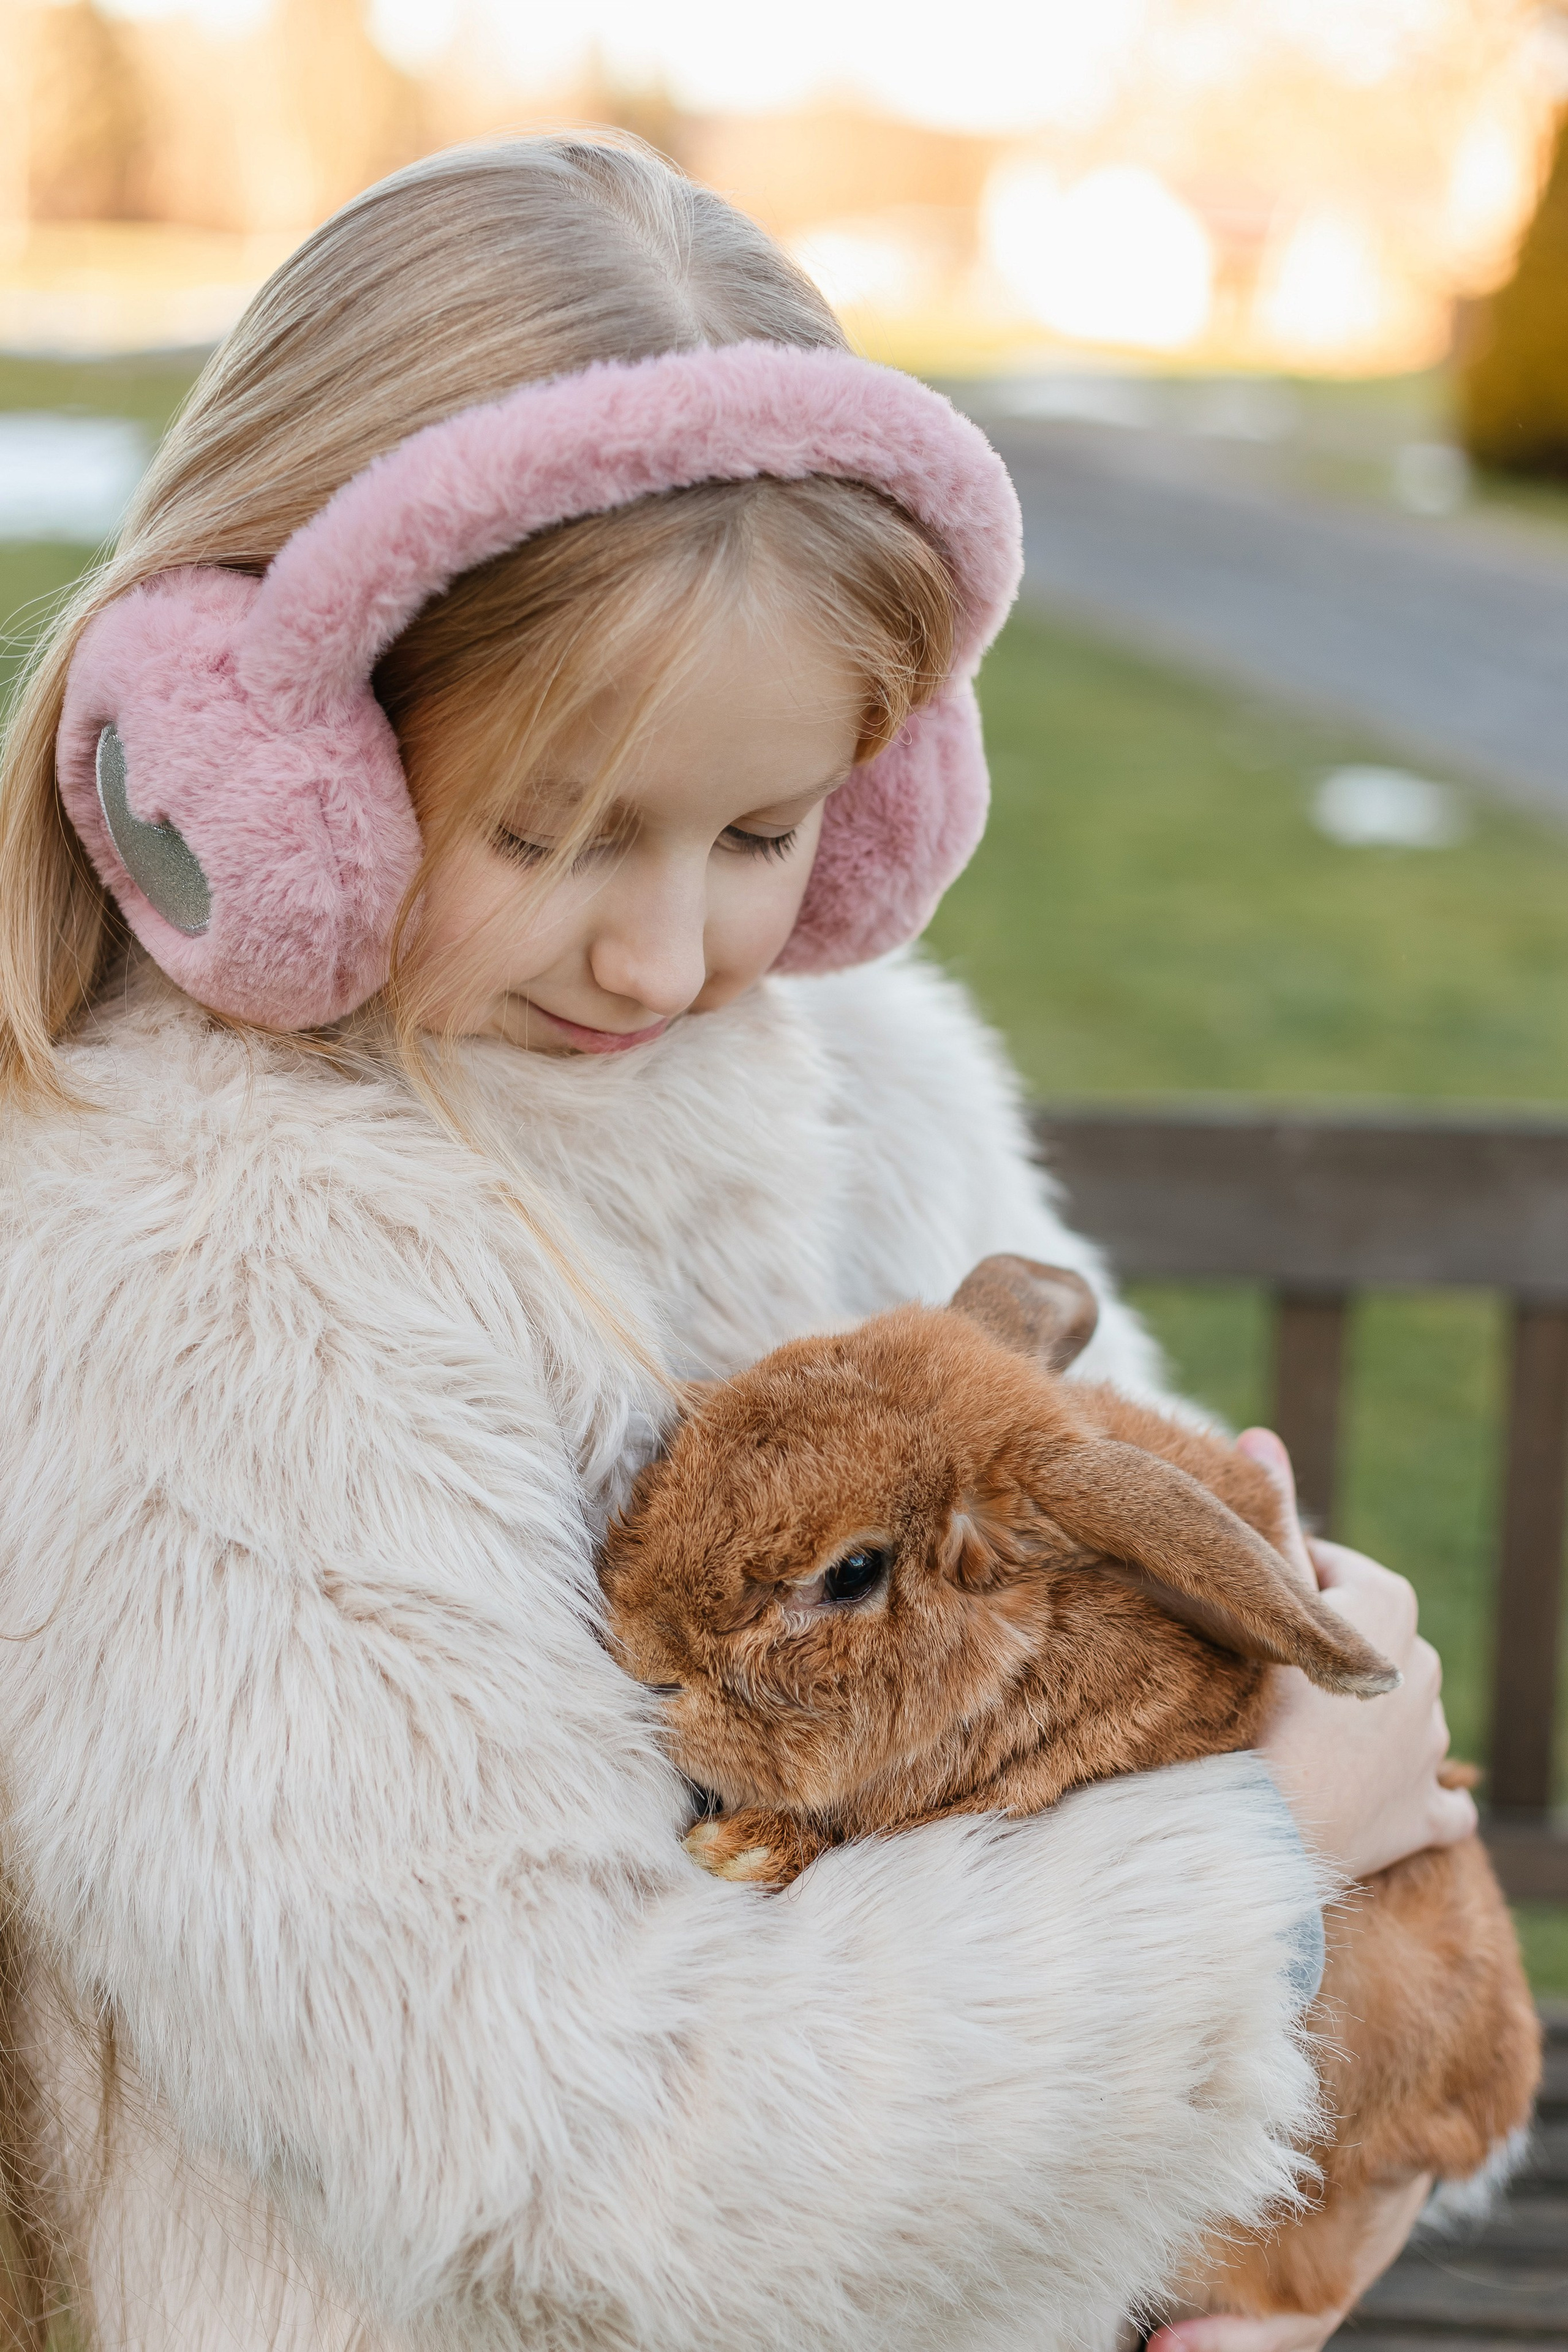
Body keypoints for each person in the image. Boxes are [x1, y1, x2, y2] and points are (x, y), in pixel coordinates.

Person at [0, 134, 1473, 2352]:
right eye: (555, 834)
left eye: (767, 832)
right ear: (263, 778)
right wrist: (1257, 1876)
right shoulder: (202, 1281)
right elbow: (557, 2167)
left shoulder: (856, 1077)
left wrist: (1291, 2218)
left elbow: (1135, 1622)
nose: (673, 953)